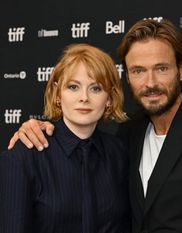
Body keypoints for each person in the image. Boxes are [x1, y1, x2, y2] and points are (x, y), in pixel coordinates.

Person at [8, 19, 182, 233]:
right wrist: (32, 128)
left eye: (161, 68)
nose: (150, 83)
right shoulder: (128, 134)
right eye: (138, 71)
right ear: (127, 77)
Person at [0, 43, 131, 233]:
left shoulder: (120, 154)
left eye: (95, 88)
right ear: (57, 93)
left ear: (109, 98)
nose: (84, 97)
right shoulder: (25, 155)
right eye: (73, 87)